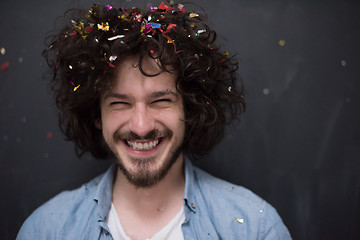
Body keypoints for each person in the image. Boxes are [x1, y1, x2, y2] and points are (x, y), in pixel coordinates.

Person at [17, 2, 291, 239]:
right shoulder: (46, 231)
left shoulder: (255, 228)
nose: (141, 126)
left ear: (190, 109)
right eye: (119, 103)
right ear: (96, 115)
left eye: (160, 101)